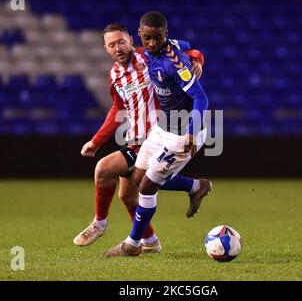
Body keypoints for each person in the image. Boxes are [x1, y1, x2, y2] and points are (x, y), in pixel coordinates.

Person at [73, 23, 212, 253]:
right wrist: (96, 141)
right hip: (135, 139)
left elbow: (187, 49)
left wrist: (197, 60)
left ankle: (100, 224)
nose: (117, 48)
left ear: (130, 39)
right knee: (128, 194)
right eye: (111, 44)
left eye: (120, 41)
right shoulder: (115, 75)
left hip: (159, 133)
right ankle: (150, 240)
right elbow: (117, 109)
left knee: (104, 169)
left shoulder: (148, 54)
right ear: (106, 49)